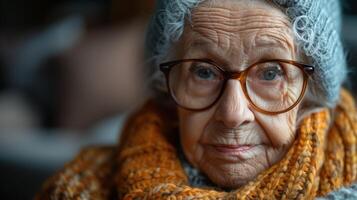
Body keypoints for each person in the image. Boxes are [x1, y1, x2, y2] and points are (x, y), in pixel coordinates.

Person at [36, 0, 357, 199]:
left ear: (312, 94)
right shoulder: (76, 189)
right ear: (168, 87)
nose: (233, 114)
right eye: (204, 72)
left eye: (271, 73)